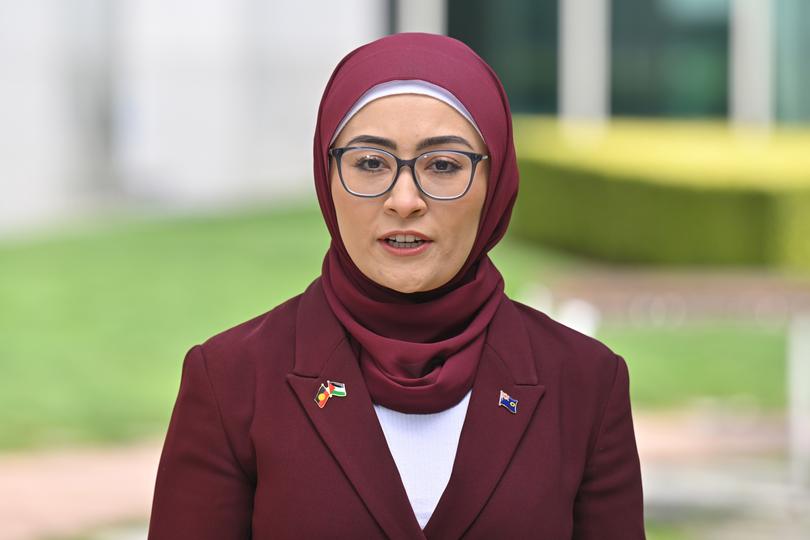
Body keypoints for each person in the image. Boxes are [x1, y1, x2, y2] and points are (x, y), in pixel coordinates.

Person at [147, 32, 645, 539]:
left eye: (444, 165)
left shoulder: (586, 383)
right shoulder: (231, 380)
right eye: (369, 163)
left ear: (495, 182)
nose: (404, 200)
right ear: (328, 177)